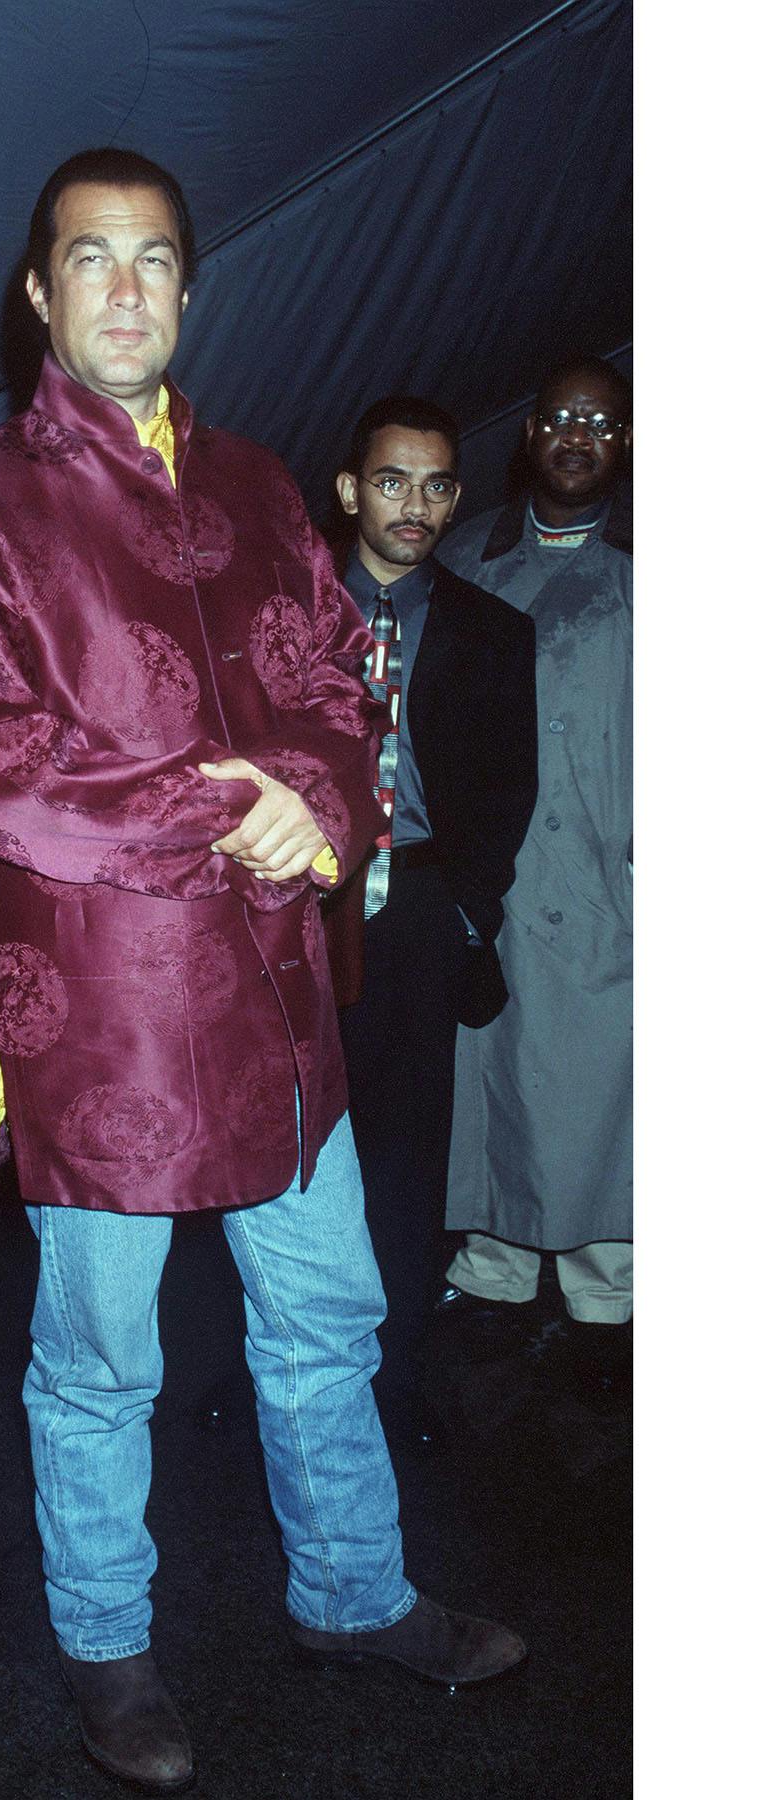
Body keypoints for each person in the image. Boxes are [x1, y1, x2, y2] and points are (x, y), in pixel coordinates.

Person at [0, 147, 525, 1794]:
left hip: (277, 996)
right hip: (101, 1017)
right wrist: (221, 809)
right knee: (102, 1364)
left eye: (156, 259)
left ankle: (353, 1594)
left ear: (189, 287)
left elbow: (340, 690)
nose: (126, 289)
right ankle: (109, 1645)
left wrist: (316, 801)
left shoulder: (255, 487)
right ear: (38, 293)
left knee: (328, 1314)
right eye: (90, 258)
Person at [325, 398, 538, 1405]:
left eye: (437, 485)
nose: (414, 505)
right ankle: (272, 1360)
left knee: (408, 1156)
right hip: (301, 908)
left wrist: (463, 915)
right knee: (291, 1144)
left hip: (417, 910)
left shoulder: (493, 632)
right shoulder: (284, 613)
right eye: (392, 481)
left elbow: (508, 790)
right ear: (350, 490)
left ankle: (395, 1369)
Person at [434, 354, 633, 1389]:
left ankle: (611, 1286)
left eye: (599, 423)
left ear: (625, 441)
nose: (576, 437)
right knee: (497, 1069)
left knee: (613, 1078)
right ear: (528, 433)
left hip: (612, 872)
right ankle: (495, 1267)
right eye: (559, 418)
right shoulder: (468, 555)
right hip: (501, 870)